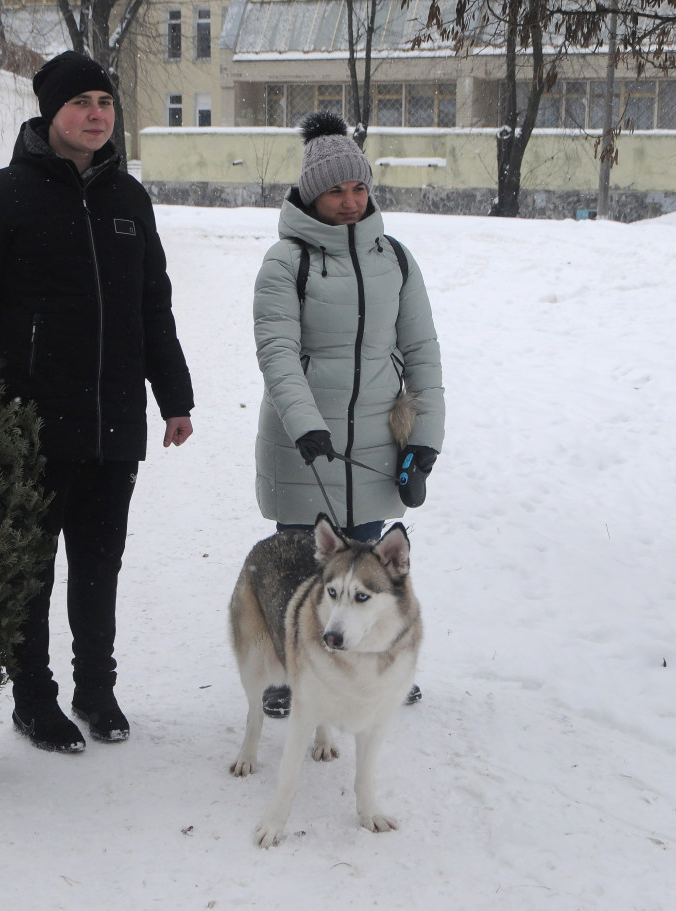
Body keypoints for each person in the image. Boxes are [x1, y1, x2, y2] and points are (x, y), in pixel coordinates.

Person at [0, 51, 195, 754]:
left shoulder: (129, 199)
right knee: (32, 569)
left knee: (100, 565)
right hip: (33, 419)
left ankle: (95, 690)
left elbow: (152, 305)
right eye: (81, 103)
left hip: (113, 420)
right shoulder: (3, 193)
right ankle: (33, 697)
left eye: (105, 102)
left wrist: (174, 395)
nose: (96, 114)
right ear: (50, 112)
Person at [251, 111, 445, 716]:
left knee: (364, 571)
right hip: (305, 441)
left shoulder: (395, 258)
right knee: (305, 568)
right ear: (313, 193)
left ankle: (365, 665)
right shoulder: (286, 262)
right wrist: (306, 422)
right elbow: (277, 351)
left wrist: (426, 441)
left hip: (376, 443)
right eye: (336, 189)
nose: (350, 200)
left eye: (359, 187)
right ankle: (288, 671)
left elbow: (422, 351)